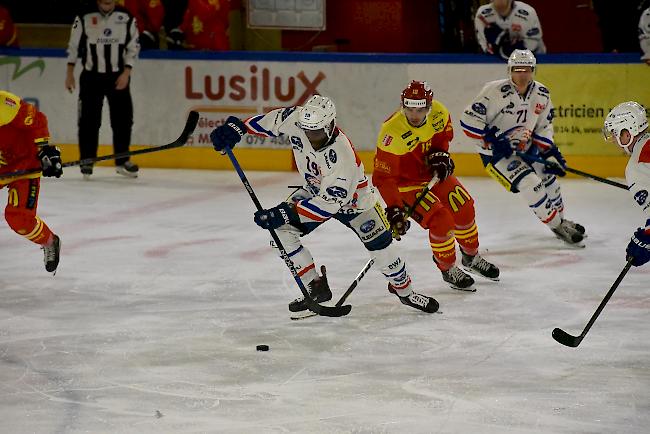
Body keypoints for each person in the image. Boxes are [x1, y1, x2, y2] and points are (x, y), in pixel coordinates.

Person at [210, 95, 439, 314]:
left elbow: (327, 205)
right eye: (307, 131)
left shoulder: (343, 156)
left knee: (383, 250)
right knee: (279, 233)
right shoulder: (298, 119)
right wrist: (237, 128)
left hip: (354, 203)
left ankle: (405, 292)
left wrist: (285, 212)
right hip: (315, 190)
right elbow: (269, 121)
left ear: (330, 126)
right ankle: (316, 288)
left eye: (317, 132)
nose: (310, 136)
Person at [373, 80, 499, 291]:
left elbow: (442, 139)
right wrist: (394, 208)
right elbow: (384, 178)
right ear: (403, 106)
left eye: (420, 109)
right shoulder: (391, 132)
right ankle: (447, 267)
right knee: (442, 221)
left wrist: (440, 156)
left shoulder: (439, 113)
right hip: (406, 185)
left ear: (429, 107)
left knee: (464, 207)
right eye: (410, 108)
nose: (414, 114)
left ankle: (470, 257)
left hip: (430, 175)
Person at [460, 49, 586, 246]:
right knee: (531, 184)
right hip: (497, 155)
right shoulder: (494, 91)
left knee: (549, 179)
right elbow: (468, 120)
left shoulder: (542, 93)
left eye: (526, 69)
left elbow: (544, 125)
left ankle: (561, 220)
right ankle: (557, 226)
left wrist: (549, 151)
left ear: (533, 70)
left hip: (526, 148)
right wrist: (493, 140)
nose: (522, 74)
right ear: (509, 70)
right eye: (517, 69)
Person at [65, 0, 141, 179]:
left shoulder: (127, 17)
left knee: (123, 120)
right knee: (88, 121)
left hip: (118, 77)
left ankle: (122, 161)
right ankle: (87, 161)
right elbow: (73, 46)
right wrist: (69, 73)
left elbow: (133, 46)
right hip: (91, 77)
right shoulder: (84, 16)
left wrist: (127, 72)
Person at [0, 90, 62, 273]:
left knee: (20, 220)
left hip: (24, 163)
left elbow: (38, 120)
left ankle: (49, 241)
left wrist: (44, 150)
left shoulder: (4, 103)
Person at [603, 101, 650, 267]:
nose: (615, 140)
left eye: (616, 133)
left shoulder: (637, 166)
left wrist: (647, 239)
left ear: (628, 132)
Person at [474, 0, 545, 60]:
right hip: (497, 62)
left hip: (535, 61)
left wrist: (505, 43)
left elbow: (532, 45)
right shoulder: (482, 14)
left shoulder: (528, 12)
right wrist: (500, 41)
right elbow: (488, 49)